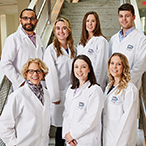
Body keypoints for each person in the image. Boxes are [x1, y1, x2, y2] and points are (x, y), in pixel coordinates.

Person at [0, 58, 50, 146]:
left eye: (38, 71)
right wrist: (13, 143)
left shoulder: (46, 94)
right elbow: (4, 124)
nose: (35, 74)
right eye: (31, 71)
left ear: (43, 73)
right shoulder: (18, 95)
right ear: (26, 74)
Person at [43, 17, 76, 146]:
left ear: (68, 30)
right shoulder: (50, 50)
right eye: (57, 28)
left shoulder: (73, 48)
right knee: (61, 128)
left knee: (71, 125)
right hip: (59, 95)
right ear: (54, 31)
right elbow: (50, 75)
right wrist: (55, 96)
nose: (61, 31)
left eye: (64, 28)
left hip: (73, 93)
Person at [62, 55, 103, 146]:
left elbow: (92, 118)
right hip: (71, 140)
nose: (79, 70)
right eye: (76, 67)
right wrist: (67, 136)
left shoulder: (95, 90)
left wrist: (72, 134)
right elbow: (66, 114)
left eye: (83, 67)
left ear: (89, 69)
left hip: (87, 140)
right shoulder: (70, 89)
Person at [0, 8, 44, 91]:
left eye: (32, 18)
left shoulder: (38, 38)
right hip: (22, 87)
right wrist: (21, 82)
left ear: (36, 21)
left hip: (38, 85)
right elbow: (5, 64)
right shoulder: (13, 39)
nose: (29, 21)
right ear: (20, 20)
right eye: (25, 18)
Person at [103, 53, 138, 146]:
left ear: (124, 67)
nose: (114, 66)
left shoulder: (130, 89)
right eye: (112, 63)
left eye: (118, 64)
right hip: (107, 138)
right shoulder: (109, 86)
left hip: (120, 141)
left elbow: (128, 121)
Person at [109, 3, 146, 90]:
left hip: (131, 85)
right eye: (121, 16)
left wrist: (125, 82)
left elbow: (141, 65)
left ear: (134, 17)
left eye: (127, 16)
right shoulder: (113, 39)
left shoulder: (141, 39)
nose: (124, 19)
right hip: (114, 85)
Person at [76, 11, 109, 91]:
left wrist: (96, 85)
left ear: (97, 23)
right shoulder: (80, 44)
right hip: (82, 84)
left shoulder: (101, 41)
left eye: (93, 21)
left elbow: (101, 67)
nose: (90, 23)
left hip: (95, 84)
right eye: (87, 21)